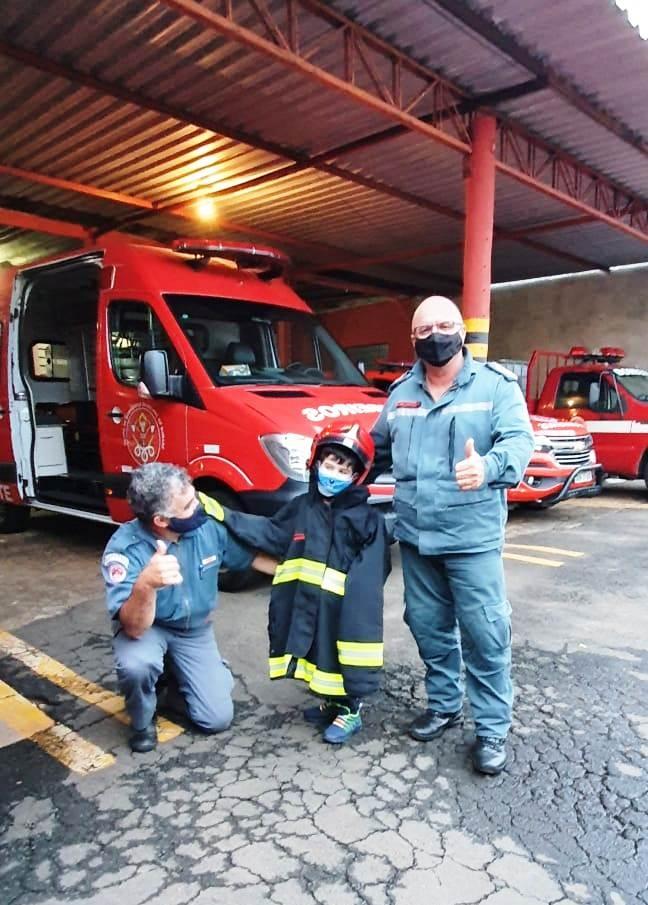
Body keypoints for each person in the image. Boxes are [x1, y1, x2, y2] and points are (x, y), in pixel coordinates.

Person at [370, 296, 534, 774]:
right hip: (418, 538)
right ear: (413, 339)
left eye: (445, 325)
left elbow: (519, 443)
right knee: (427, 626)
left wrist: (486, 467)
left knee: (485, 634)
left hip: (472, 538)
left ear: (462, 330)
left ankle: (490, 729)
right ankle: (444, 704)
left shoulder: (495, 386)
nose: (435, 335)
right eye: (425, 328)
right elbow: (375, 450)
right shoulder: (400, 393)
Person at [205, 421, 390, 745]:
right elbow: (269, 532)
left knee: (339, 657)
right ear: (316, 463)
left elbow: (372, 572)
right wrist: (221, 513)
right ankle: (332, 702)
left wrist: (355, 613)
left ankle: (350, 711)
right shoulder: (301, 507)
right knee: (319, 656)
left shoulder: (367, 520)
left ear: (357, 476)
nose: (335, 473)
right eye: (331, 464)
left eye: (345, 469)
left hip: (342, 611)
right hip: (309, 602)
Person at [101, 462, 272, 753]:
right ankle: (143, 719)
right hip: (149, 628)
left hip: (193, 630)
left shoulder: (207, 528)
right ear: (162, 520)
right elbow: (133, 626)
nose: (200, 507)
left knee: (216, 718)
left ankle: (174, 684)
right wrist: (146, 585)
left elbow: (252, 558)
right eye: (189, 505)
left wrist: (304, 574)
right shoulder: (124, 550)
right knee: (138, 666)